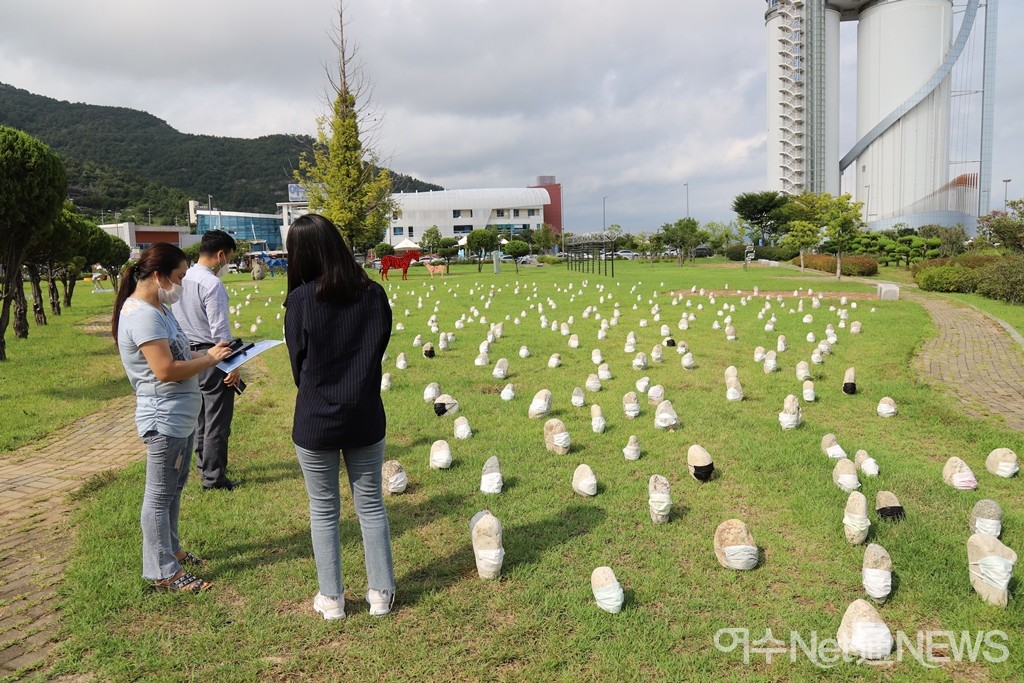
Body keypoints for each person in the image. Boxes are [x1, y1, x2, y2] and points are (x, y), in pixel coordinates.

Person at [284, 214, 395, 620]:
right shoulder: (374, 294)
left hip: (316, 419)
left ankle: (331, 599)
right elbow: (378, 345)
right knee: (371, 506)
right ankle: (381, 593)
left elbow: (298, 364)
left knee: (323, 510)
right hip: (364, 413)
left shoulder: (299, 301)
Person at [111, 243, 233, 593]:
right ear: (159, 275)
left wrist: (213, 352)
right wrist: (208, 361)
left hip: (179, 416)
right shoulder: (142, 314)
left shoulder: (158, 309)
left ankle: (173, 550)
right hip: (163, 418)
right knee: (159, 494)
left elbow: (179, 352)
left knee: (174, 489)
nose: (181, 284)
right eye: (179, 277)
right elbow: (165, 370)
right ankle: (162, 571)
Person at [173, 230, 243, 491]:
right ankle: (214, 478)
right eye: (229, 259)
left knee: (201, 417)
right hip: (212, 355)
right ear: (221, 255)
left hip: (187, 355)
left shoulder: (182, 278)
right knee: (217, 420)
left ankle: (205, 466)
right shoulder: (212, 285)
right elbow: (220, 333)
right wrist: (233, 366)